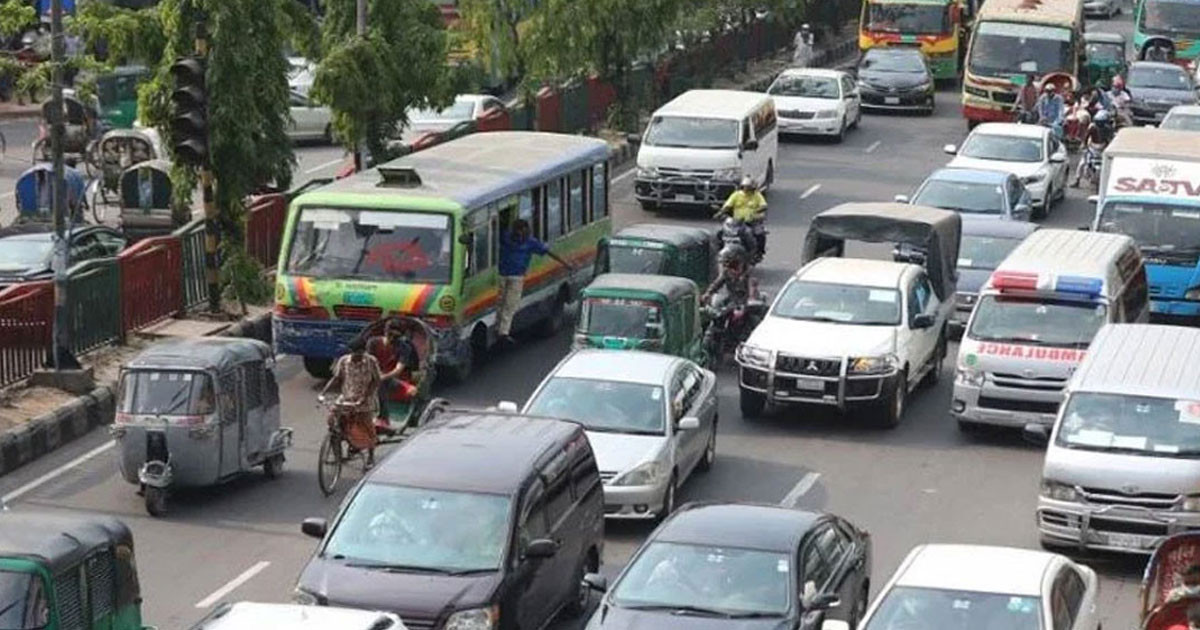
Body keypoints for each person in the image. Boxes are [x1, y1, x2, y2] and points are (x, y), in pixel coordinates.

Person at [496, 219, 574, 346]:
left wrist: (565, 263)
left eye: (524, 232)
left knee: (510, 304)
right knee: (500, 302)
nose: (521, 235)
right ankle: (499, 328)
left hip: (517, 277)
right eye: (519, 232)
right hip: (502, 275)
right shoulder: (506, 237)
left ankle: (503, 332)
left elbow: (548, 252)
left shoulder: (530, 242)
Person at [320, 336, 382, 467]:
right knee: (333, 422)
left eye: (359, 353)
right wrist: (323, 393)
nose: (356, 356)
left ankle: (370, 457)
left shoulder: (371, 362)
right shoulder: (343, 361)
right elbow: (336, 378)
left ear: (363, 351)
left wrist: (364, 397)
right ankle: (337, 456)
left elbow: (376, 381)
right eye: (354, 352)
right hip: (346, 398)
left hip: (364, 400)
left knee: (367, 428)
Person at [368, 320, 420, 429]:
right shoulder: (373, 343)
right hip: (372, 374)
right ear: (385, 332)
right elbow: (368, 362)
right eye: (390, 335)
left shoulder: (404, 347)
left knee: (381, 383)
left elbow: (398, 369)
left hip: (393, 378)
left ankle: (383, 417)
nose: (392, 339)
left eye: (396, 337)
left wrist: (382, 377)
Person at [1072, 110, 1112, 187]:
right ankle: (1077, 180)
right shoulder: (1092, 128)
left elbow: (1109, 139)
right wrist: (1084, 145)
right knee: (1082, 163)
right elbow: (1086, 137)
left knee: (1108, 164)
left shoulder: (1108, 129)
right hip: (1092, 148)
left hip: (1103, 148)